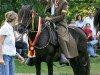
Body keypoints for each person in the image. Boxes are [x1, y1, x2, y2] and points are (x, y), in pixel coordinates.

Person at [44, 0, 78, 64]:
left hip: (60, 24)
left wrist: (51, 19)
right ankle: (33, 55)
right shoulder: (51, 2)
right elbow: (46, 11)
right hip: (49, 22)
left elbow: (62, 16)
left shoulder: (64, 2)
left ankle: (63, 55)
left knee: (61, 36)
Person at [0, 11, 24, 75]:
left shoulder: (10, 28)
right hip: (5, 56)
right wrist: (0, 58)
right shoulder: (5, 28)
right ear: (14, 19)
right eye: (17, 19)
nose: (17, 21)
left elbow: (10, 46)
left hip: (11, 56)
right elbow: (0, 43)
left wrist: (19, 56)